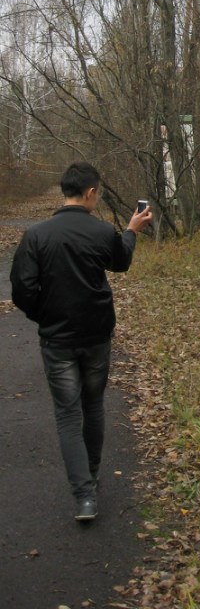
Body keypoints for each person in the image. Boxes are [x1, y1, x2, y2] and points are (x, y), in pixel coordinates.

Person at [9, 162, 153, 523]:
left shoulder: (37, 236)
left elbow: (22, 291)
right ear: (90, 193)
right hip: (96, 337)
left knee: (68, 415)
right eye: (98, 193)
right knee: (93, 405)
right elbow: (121, 263)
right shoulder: (102, 231)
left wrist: (46, 316)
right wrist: (131, 231)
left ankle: (84, 496)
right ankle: (91, 474)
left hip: (57, 340)